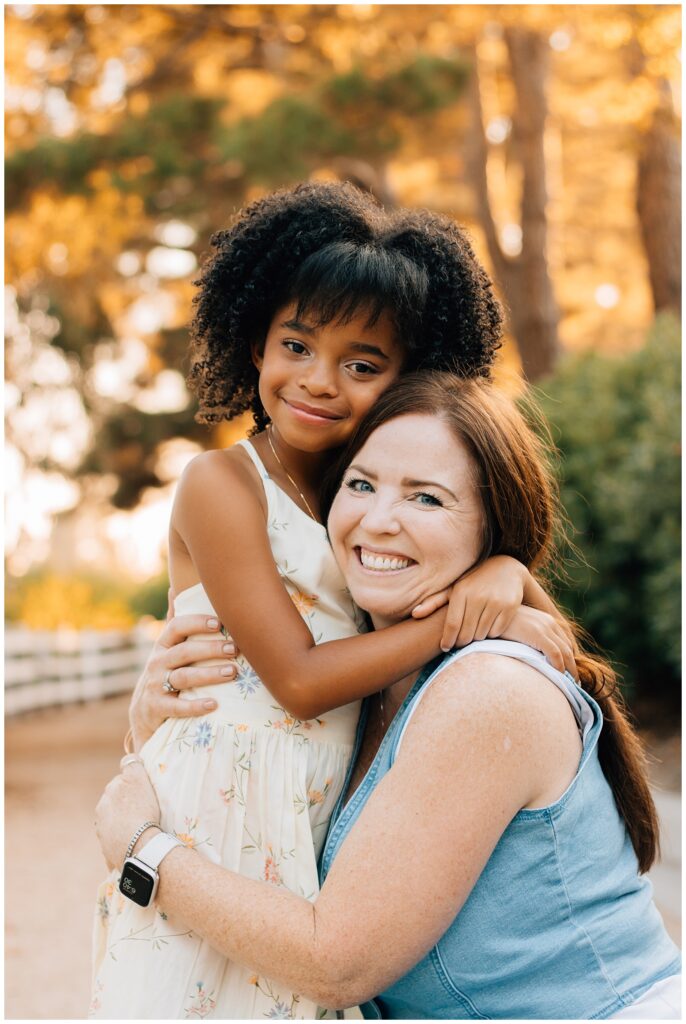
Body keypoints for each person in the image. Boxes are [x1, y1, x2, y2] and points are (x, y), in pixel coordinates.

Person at [90, 183, 573, 1020]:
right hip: (214, 813)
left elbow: (556, 646)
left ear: (405, 379)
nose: (319, 382)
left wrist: (506, 576)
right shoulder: (221, 485)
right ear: (253, 341)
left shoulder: (374, 503)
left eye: (362, 364)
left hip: (309, 815)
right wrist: (461, 609)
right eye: (297, 345)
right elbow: (301, 680)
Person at [96, 372, 681, 1020]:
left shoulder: (488, 690)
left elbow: (337, 962)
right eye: (362, 484)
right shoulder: (360, 689)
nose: (379, 520)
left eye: (426, 499)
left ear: (493, 525)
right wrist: (150, 721)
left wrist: (142, 850)